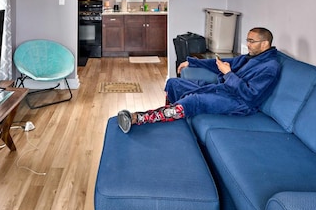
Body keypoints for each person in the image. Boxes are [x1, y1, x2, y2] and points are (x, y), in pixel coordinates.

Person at [117, 27, 281, 133]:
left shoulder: (270, 67)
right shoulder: (250, 58)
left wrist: (229, 74)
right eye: (247, 40)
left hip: (239, 103)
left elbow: (251, 96)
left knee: (195, 100)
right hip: (224, 89)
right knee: (174, 83)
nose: (248, 44)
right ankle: (171, 118)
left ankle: (138, 118)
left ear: (265, 43)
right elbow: (222, 64)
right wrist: (192, 62)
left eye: (251, 41)